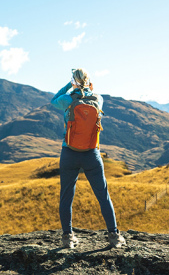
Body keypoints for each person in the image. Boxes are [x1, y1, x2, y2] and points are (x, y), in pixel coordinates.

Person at [51, 68, 126, 248]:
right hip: (92, 154)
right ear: (89, 81)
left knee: (66, 196)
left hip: (69, 152)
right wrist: (88, 88)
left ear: (74, 82)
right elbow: (93, 99)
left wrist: (69, 86)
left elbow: (54, 100)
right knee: (103, 195)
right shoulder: (98, 99)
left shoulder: (68, 100)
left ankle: (67, 238)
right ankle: (114, 236)